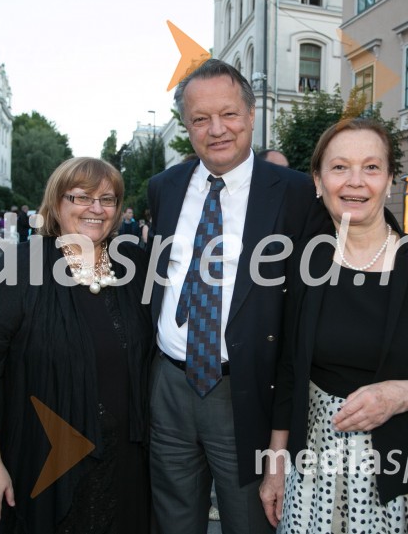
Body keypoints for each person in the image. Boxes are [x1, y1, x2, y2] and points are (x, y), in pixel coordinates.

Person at [260, 118, 408, 533]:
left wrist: (399, 395)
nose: (355, 182)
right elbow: (288, 372)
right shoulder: (303, 264)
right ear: (317, 180)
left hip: (396, 477)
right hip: (311, 473)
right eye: (340, 167)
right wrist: (275, 468)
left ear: (391, 179)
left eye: (371, 167)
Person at [147, 58, 327, 534]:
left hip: (246, 391)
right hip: (168, 383)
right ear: (186, 127)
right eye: (200, 119)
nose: (216, 129)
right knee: (172, 519)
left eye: (228, 114)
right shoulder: (163, 188)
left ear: (250, 115)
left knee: (250, 520)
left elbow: (306, 308)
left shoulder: (296, 194)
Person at [0, 157, 153, 533]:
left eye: (107, 200)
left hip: (125, 464)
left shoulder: (136, 267)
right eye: (81, 197)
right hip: (41, 464)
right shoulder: (18, 268)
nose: (96, 208)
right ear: (57, 204)